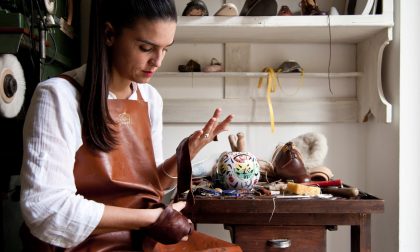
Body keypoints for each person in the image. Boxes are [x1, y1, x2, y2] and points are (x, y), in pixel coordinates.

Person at [19, 0, 233, 250]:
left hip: (142, 241)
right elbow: (46, 210)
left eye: (166, 49)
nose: (158, 61)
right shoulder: (58, 96)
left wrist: (187, 153)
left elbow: (147, 188)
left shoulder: (150, 99)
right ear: (109, 34)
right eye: (146, 48)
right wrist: (150, 219)